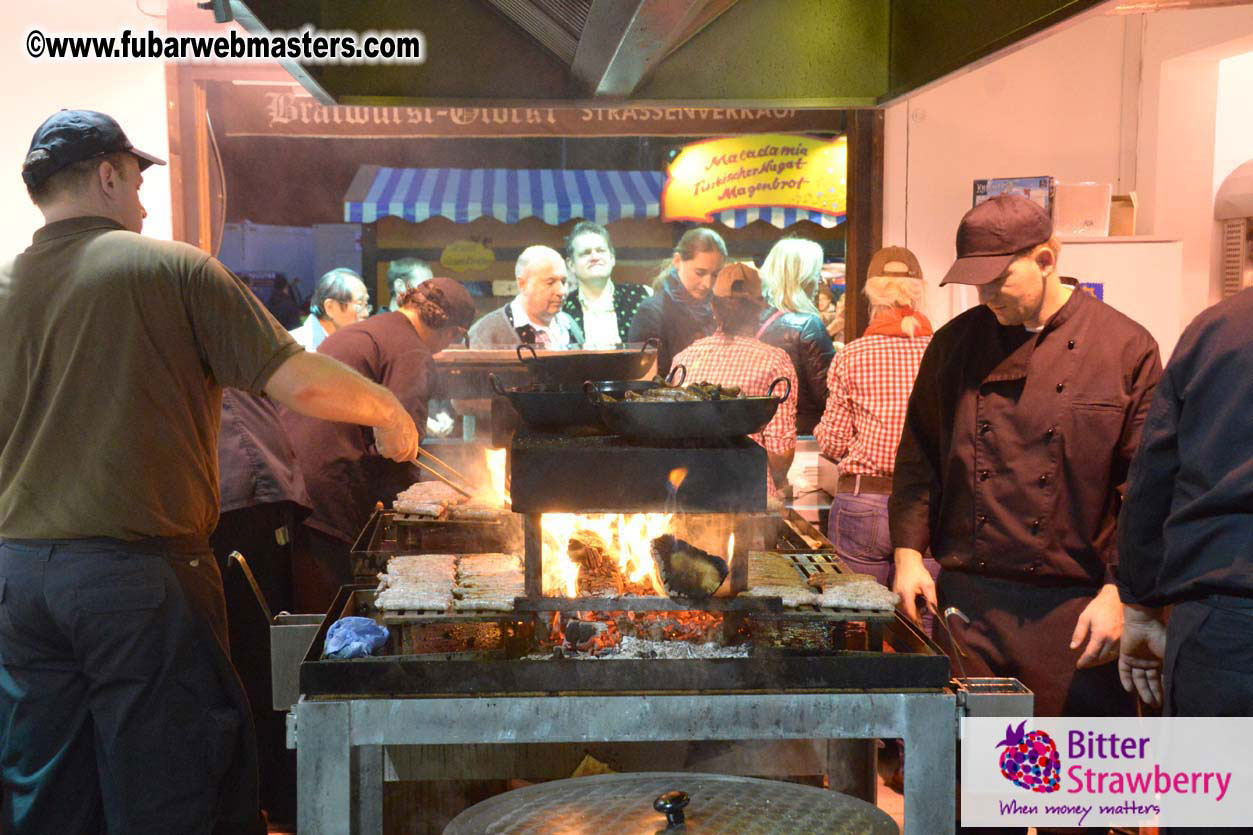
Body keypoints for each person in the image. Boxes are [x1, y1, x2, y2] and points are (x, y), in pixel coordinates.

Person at [0, 109, 421, 834]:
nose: (141, 201)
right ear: (106, 174)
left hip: (19, 581)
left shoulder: (7, 285)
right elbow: (295, 379)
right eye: (135, 181)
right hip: (134, 579)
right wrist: (386, 407)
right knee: (170, 790)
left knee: (50, 797)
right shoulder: (170, 268)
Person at [890, 194, 1161, 720]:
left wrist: (1120, 591)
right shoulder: (953, 345)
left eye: (999, 278)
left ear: (1046, 258)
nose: (986, 293)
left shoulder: (1124, 348)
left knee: (1079, 786)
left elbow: (1145, 491)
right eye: (976, 280)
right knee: (980, 781)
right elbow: (919, 455)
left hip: (1077, 613)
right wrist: (905, 553)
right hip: (970, 607)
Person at [284, 277, 477, 610]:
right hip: (329, 482)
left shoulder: (377, 329)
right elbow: (399, 451)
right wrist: (413, 520)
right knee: (335, 607)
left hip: (293, 473)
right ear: (452, 330)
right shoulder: (411, 351)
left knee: (310, 596)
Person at [1116, 287, 1253, 719]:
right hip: (1224, 611)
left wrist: (1140, 604)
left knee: (1219, 784)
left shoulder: (1219, 327)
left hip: (1223, 620)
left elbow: (1153, 474)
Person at [816, 246, 937, 619]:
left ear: (871, 296)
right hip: (929, 507)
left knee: (858, 624)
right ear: (919, 292)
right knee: (923, 627)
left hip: (863, 501)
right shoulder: (942, 351)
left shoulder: (852, 355)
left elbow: (833, 441)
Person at [671, 262, 798, 494]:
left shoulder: (684, 359)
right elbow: (779, 451)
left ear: (713, 307)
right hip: (748, 493)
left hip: (689, 491)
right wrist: (780, 482)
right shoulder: (774, 361)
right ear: (760, 308)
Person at [757, 237, 837, 434]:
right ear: (801, 278)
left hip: (762, 430)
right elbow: (829, 397)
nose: (819, 281)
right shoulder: (809, 325)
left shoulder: (755, 320)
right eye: (815, 273)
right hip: (803, 433)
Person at [629, 227, 727, 377]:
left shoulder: (721, 311)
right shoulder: (652, 312)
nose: (707, 283)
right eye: (700, 273)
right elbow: (648, 379)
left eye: (715, 274)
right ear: (677, 261)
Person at [467, 245, 583, 348]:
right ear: (522, 284)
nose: (561, 291)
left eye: (563, 282)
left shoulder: (569, 324)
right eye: (550, 282)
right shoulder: (485, 333)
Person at [561, 221, 651, 346]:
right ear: (571, 264)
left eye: (600, 250)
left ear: (612, 258)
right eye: (586, 253)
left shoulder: (643, 296)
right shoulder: (561, 308)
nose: (594, 257)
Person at [289, 267, 371, 350]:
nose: (366, 314)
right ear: (330, 307)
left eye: (366, 304)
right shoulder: (295, 347)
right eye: (359, 304)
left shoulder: (357, 343)